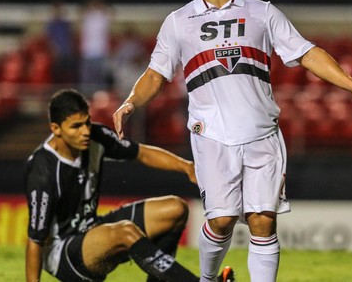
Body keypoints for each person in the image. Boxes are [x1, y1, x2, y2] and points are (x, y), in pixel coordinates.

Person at [112, 0, 352, 282]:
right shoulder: (178, 22)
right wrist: (130, 102)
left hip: (262, 133)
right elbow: (156, 74)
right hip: (211, 134)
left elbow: (306, 52)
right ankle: (208, 280)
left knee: (262, 219)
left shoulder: (263, 12)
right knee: (222, 220)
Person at [25, 89, 235, 282]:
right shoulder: (43, 170)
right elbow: (35, 240)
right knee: (126, 232)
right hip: (64, 253)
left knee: (175, 209)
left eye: (87, 122)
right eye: (76, 126)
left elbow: (140, 152)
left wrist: (187, 167)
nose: (85, 131)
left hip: (92, 227)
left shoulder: (95, 137)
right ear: (56, 129)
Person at [79, 0, 113, 94]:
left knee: (100, 78)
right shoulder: (87, 17)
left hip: (100, 52)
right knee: (87, 79)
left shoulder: (103, 17)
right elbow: (80, 12)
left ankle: (101, 98)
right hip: (87, 52)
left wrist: (101, 7)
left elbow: (111, 12)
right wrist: (90, 7)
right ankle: (86, 96)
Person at [46, 1, 76, 84]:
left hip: (67, 53)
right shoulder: (51, 24)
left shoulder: (66, 24)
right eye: (57, 10)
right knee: (57, 75)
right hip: (57, 54)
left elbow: (71, 37)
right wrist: (54, 50)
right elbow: (50, 39)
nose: (59, 12)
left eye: (61, 10)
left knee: (69, 74)